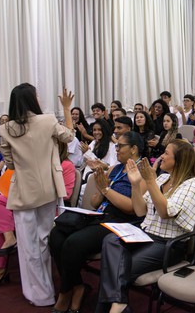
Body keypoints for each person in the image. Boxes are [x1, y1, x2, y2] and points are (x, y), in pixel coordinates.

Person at [96, 140, 195, 313]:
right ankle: (119, 306)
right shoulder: (162, 178)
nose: (162, 156)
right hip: (146, 235)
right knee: (110, 240)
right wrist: (135, 184)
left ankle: (113, 308)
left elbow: (164, 212)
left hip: (169, 243)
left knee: (117, 267)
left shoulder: (193, 184)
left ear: (179, 159)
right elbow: (139, 211)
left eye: (166, 153)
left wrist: (150, 181)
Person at [0, 84, 75, 306]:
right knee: (45, 240)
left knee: (27, 244)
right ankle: (48, 290)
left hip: (23, 191)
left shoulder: (6, 129)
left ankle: (38, 294)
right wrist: (67, 109)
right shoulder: (48, 120)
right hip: (48, 188)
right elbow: (69, 137)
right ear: (32, 99)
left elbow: (10, 163)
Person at [50, 132, 145, 313]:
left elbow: (132, 207)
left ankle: (65, 292)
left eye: (120, 147)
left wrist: (106, 189)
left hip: (121, 222)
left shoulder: (142, 171)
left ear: (133, 149)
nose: (116, 150)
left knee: (73, 243)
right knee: (56, 235)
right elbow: (95, 202)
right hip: (101, 215)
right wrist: (102, 189)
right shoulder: (116, 169)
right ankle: (76, 286)